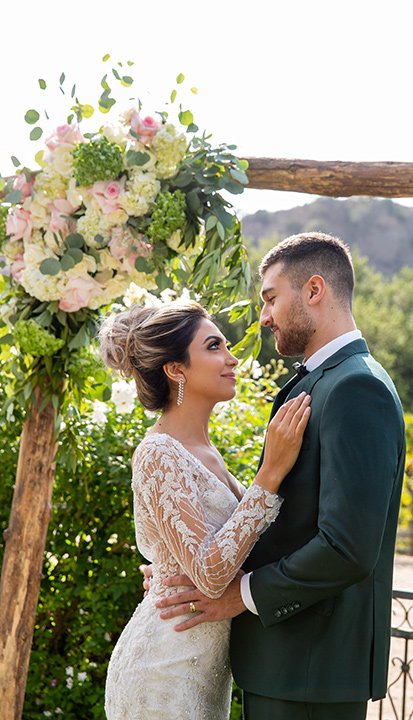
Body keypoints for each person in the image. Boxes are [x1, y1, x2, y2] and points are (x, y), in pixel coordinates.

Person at [155, 232, 407, 720]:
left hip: (312, 669)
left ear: (314, 290)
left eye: (270, 297)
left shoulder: (356, 387)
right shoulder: (320, 381)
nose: (263, 316)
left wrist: (241, 595)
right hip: (286, 664)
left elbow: (348, 547)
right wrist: (179, 562)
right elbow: (285, 522)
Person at [98, 300, 311, 720]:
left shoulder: (205, 451)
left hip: (202, 669)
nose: (232, 359)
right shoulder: (158, 452)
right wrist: (269, 475)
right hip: (164, 669)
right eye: (214, 347)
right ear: (175, 369)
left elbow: (215, 554)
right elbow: (210, 575)